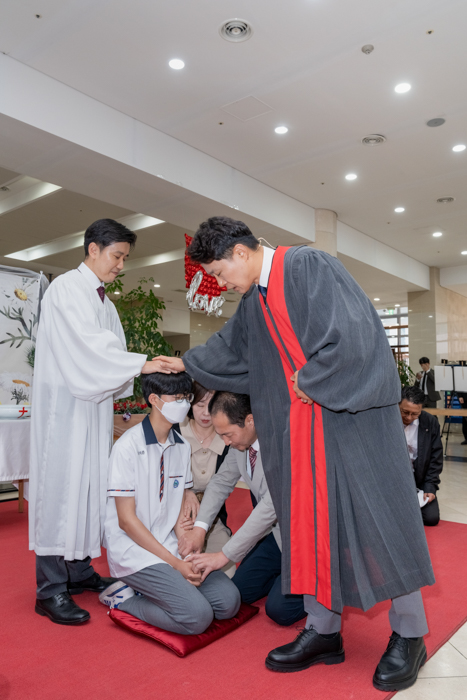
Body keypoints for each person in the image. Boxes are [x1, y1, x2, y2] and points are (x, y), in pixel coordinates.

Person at [157, 216, 434, 692]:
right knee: (306, 526)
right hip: (300, 435)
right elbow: (233, 350)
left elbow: (356, 338)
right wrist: (188, 362)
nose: (221, 283)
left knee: (379, 523)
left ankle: (411, 635)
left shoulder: (308, 266)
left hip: (349, 425)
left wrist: (308, 380)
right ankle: (324, 631)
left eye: (221, 272)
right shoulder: (254, 303)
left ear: (242, 253)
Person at [30, 218, 176, 626]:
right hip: (65, 413)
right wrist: (143, 362)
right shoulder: (65, 290)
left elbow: (110, 358)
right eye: (117, 256)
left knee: (88, 489)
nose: (120, 266)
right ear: (92, 249)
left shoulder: (104, 302)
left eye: (124, 258)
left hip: (91, 411)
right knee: (61, 493)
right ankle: (49, 589)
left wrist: (133, 375)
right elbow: (90, 352)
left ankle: (78, 570)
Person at [100, 372, 240, 634]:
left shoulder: (181, 447)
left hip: (170, 546)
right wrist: (176, 565)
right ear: (154, 399)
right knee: (197, 617)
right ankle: (125, 600)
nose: (185, 404)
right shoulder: (127, 447)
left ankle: (159, 592)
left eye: (186, 397)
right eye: (177, 398)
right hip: (135, 552)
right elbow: (126, 522)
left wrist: (187, 552)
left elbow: (177, 505)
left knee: (228, 603)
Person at [178, 391, 305, 627]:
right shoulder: (240, 445)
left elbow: (269, 508)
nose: (225, 442)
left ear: (250, 420)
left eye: (228, 434)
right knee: (238, 593)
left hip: (305, 542)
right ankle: (283, 576)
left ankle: (326, 582)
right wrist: (199, 529)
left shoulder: (281, 444)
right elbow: (220, 482)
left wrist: (223, 556)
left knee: (279, 610)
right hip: (280, 538)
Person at [178, 382, 236, 577]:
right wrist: (184, 491)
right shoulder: (175, 432)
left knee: (227, 577)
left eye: (211, 406)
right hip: (176, 518)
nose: (205, 413)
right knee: (183, 570)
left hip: (212, 520)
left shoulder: (229, 438)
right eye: (199, 405)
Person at [399, 386, 443, 526]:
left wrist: (430, 487)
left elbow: (436, 458)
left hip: (420, 481)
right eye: (405, 412)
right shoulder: (388, 421)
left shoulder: (430, 422)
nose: (409, 418)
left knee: (431, 518)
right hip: (395, 481)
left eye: (414, 414)